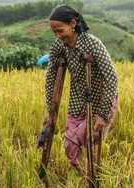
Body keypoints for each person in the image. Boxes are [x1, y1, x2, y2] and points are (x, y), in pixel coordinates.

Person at [45, 4, 119, 172]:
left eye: (60, 31)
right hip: (77, 101)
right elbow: (51, 78)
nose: (57, 35)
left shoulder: (93, 43)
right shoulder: (58, 46)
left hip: (100, 99)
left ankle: (93, 176)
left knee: (89, 139)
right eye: (54, 32)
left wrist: (102, 113)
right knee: (69, 145)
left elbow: (111, 77)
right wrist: (51, 110)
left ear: (72, 24)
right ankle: (86, 174)